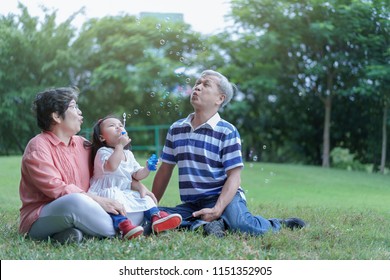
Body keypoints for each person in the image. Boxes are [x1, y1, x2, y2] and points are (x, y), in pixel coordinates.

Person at [152, 70, 306, 238]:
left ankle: (274, 223)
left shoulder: (227, 131)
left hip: (225, 197)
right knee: (155, 216)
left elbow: (234, 176)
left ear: (220, 98)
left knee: (242, 225)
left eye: (206, 84)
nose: (197, 87)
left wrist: (217, 208)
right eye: (197, 83)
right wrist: (152, 206)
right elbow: (165, 170)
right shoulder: (176, 129)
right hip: (193, 203)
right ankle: (209, 224)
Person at [19, 87, 140, 244]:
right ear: (56, 116)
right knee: (75, 202)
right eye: (74, 106)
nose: (80, 112)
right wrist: (98, 200)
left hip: (86, 208)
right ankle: (125, 229)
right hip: (41, 216)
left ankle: (73, 234)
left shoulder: (83, 144)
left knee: (130, 198)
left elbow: (110, 170)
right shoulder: (38, 146)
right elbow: (58, 189)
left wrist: (137, 185)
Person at [87, 116, 182, 239]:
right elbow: (112, 166)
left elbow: (137, 175)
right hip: (105, 192)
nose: (118, 127)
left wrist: (147, 168)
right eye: (112, 125)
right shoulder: (103, 152)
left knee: (144, 197)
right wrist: (120, 146)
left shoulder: (128, 154)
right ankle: (124, 225)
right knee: (113, 194)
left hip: (123, 191)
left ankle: (156, 217)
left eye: (120, 124)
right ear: (102, 137)